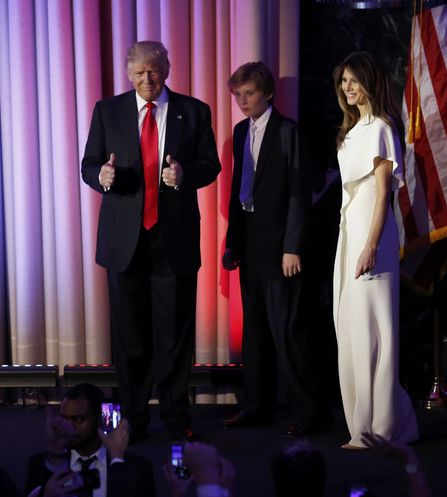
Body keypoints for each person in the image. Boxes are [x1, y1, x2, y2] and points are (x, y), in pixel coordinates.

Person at [81, 41, 221, 442]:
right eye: (140, 72)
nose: (148, 79)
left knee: (175, 335)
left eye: (154, 71)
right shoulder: (107, 111)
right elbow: (89, 164)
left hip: (172, 239)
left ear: (167, 70)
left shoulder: (193, 111)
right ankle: (135, 418)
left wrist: (185, 175)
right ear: (128, 73)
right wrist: (101, 178)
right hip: (125, 241)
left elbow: (210, 164)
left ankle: (177, 418)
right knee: (131, 336)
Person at [221, 61, 330, 436]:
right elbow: (239, 189)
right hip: (250, 242)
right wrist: (232, 241)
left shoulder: (287, 132)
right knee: (254, 330)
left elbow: (301, 192)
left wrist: (293, 247)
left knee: (288, 329)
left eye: (248, 93)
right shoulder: (239, 132)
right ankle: (256, 406)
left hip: (281, 245)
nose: (242, 101)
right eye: (237, 94)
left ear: (267, 93)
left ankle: (308, 411)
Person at [332, 51, 419, 449]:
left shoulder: (383, 128)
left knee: (374, 330)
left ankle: (382, 427)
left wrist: (370, 247)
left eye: (353, 80)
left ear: (370, 81)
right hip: (348, 233)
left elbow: (384, 196)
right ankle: (361, 426)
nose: (348, 88)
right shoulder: (350, 133)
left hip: (374, 237)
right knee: (349, 328)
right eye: (343, 82)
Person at [23, 383, 155, 497]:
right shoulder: (42, 465)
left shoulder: (137, 468)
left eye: (78, 420)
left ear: (99, 420)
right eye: (64, 419)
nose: (68, 427)